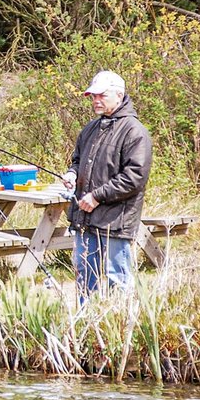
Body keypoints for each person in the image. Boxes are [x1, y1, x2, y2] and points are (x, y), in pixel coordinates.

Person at [62, 70, 152, 302]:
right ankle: (85, 329)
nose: (96, 100)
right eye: (93, 96)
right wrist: (72, 174)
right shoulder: (91, 128)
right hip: (85, 218)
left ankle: (119, 329)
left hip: (116, 221)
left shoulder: (134, 131)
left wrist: (97, 196)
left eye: (102, 95)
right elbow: (78, 160)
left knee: (117, 279)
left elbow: (135, 177)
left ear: (119, 95)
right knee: (85, 276)